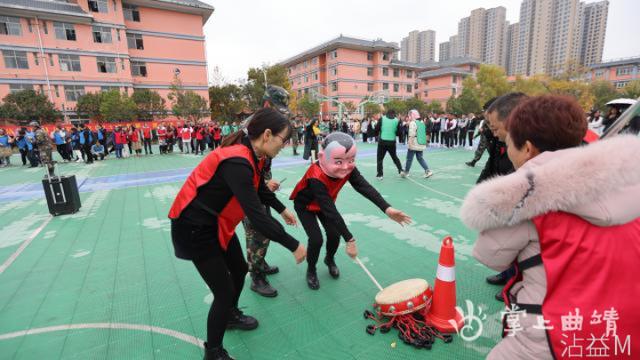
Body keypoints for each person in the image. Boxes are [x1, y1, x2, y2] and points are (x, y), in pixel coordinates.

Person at [461, 95, 640, 359]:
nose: (507, 150)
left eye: (509, 143)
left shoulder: (521, 201)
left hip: (552, 334)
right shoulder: (628, 185)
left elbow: (491, 256)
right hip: (623, 329)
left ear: (528, 149)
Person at [168, 108, 307, 360]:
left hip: (215, 222)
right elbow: (256, 215)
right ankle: (214, 352)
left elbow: (259, 190)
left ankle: (229, 315)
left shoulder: (253, 154)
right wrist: (293, 244)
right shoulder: (238, 161)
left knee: (240, 269)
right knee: (222, 291)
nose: (284, 146)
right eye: (283, 140)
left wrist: (283, 208)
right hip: (195, 227)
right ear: (267, 135)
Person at [290, 132, 412, 290]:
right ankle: (311, 269)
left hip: (324, 204)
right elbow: (330, 211)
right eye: (339, 161)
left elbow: (363, 186)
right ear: (322, 157)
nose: (346, 166)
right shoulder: (316, 177)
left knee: (334, 234)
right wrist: (350, 240)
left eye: (351, 160)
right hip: (305, 206)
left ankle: (329, 259)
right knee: (316, 239)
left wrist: (386, 208)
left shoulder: (346, 168)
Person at [375, 109, 405, 180]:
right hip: (392, 142)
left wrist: (376, 134)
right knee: (394, 157)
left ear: (386, 113)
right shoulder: (396, 121)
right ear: (394, 114)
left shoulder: (382, 119)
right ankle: (400, 170)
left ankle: (380, 174)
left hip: (382, 141)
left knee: (380, 159)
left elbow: (377, 128)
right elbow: (399, 133)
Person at [404, 110, 433, 178]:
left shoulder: (413, 123)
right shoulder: (422, 122)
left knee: (409, 158)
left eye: (410, 115)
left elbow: (412, 134)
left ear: (412, 115)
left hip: (414, 143)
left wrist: (410, 143)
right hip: (421, 143)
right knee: (420, 158)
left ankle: (406, 172)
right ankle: (427, 171)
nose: (409, 117)